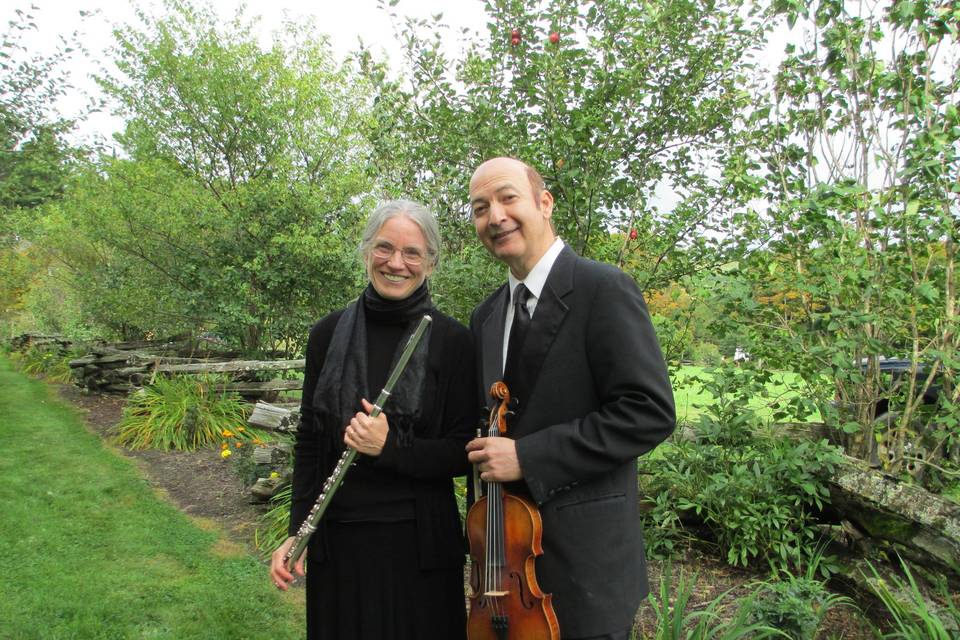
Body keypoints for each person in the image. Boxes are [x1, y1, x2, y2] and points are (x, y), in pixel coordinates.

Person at [466, 157, 676, 640]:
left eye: (507, 198)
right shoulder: (487, 317)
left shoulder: (603, 288)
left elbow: (649, 412)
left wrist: (529, 456)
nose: (494, 216)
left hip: (587, 569)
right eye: (480, 207)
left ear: (545, 202)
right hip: (506, 573)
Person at [270, 200, 475, 640]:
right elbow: (309, 439)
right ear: (366, 251)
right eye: (384, 248)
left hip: (419, 551)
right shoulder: (326, 334)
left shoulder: (453, 341)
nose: (395, 263)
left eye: (412, 253)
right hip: (339, 544)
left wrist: (390, 446)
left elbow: (462, 452)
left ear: (431, 263)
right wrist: (296, 530)